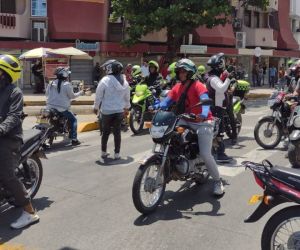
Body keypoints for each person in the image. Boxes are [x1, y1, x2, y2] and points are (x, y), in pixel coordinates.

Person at [152, 58, 225, 196]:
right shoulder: (177, 87)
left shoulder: (199, 85)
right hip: (184, 119)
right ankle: (172, 162)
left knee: (205, 153)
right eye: (179, 71)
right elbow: (168, 100)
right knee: (168, 135)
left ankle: (217, 181)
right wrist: (157, 106)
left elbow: (204, 100)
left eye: (184, 71)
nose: (181, 74)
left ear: (190, 73)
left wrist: (203, 113)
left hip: (202, 121)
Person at [0, 54, 40, 229]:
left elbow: (14, 116)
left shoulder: (14, 92)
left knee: (7, 175)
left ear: (4, 73)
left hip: (9, 137)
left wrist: (1, 129)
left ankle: (30, 212)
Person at [94, 60, 131, 160]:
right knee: (117, 132)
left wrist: (96, 107)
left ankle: (103, 152)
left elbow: (98, 95)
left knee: (105, 132)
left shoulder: (105, 80)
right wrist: (127, 108)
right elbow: (127, 97)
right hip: (119, 111)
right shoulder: (125, 81)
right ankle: (117, 154)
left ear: (110, 68)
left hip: (106, 111)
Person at [205, 53, 233, 163]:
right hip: (216, 108)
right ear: (219, 66)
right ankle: (220, 154)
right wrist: (228, 79)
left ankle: (215, 153)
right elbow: (221, 89)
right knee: (218, 131)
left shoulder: (212, 77)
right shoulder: (213, 79)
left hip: (217, 106)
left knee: (216, 131)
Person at [46, 67, 84, 146]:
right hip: (62, 109)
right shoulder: (66, 84)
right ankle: (74, 139)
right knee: (73, 120)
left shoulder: (51, 83)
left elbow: (47, 94)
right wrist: (80, 93)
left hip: (49, 107)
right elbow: (72, 96)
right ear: (64, 75)